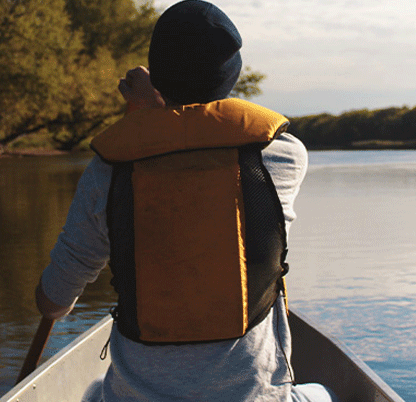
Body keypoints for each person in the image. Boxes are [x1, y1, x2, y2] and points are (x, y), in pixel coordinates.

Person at [35, 1, 336, 400]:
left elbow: (52, 303)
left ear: (158, 75)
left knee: (92, 392)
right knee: (322, 394)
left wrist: (149, 113)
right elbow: (197, 141)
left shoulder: (108, 171)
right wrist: (158, 110)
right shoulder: (281, 156)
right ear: (232, 73)